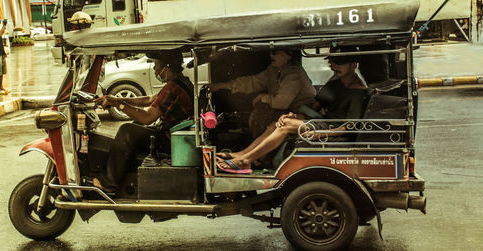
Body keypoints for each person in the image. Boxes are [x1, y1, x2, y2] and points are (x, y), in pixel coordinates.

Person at [218, 46, 369, 172]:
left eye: (340, 62)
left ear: (354, 65)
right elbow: (313, 108)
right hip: (321, 122)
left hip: (332, 130)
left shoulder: (358, 91)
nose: (334, 66)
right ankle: (241, 154)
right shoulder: (334, 84)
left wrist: (320, 133)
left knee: (286, 127)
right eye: (332, 62)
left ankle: (246, 160)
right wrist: (294, 115)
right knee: (276, 124)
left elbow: (349, 127)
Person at [92, 51, 194, 192]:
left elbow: (147, 118)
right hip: (172, 134)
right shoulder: (181, 82)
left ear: (167, 67)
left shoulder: (172, 88)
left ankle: (109, 184)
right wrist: (117, 99)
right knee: (135, 126)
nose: (154, 69)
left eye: (156, 65)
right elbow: (148, 100)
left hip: (170, 139)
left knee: (126, 130)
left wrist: (119, 105)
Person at [208, 50, 316, 138]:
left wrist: (264, 97)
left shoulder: (294, 73)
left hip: (302, 115)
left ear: (289, 55)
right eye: (270, 52)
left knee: (260, 115)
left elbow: (281, 102)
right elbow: (253, 82)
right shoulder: (274, 70)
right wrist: (220, 86)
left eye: (275, 52)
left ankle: (259, 158)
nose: (271, 55)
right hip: (288, 112)